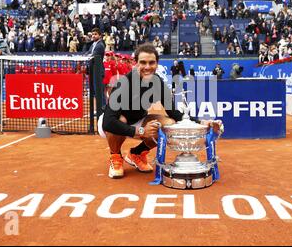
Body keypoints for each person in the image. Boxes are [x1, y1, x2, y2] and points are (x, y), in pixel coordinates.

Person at [98, 43, 222, 179]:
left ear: (157, 64)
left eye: (151, 63)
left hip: (139, 121)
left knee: (169, 123)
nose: (147, 67)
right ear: (135, 63)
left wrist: (203, 122)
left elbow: (175, 114)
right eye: (143, 62)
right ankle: (115, 156)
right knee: (120, 119)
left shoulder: (157, 83)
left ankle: (136, 154)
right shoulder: (123, 84)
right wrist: (140, 132)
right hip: (112, 123)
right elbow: (108, 122)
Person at [84, 28, 105, 117]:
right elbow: (87, 53)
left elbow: (93, 55)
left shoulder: (100, 45)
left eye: (95, 34)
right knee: (95, 92)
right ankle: (99, 109)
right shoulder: (93, 44)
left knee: (99, 91)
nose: (93, 36)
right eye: (92, 34)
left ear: (100, 35)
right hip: (92, 70)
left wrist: (87, 55)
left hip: (98, 71)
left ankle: (103, 110)